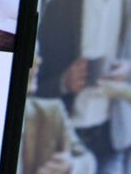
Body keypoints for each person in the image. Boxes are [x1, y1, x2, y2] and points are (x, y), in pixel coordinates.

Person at [36, 0, 131, 174]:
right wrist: (64, 82)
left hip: (113, 141)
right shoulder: (57, 6)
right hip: (62, 140)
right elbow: (35, 88)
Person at [20, 45, 96, 174]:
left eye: (36, 53)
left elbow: (87, 162)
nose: (37, 61)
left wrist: (70, 166)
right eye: (28, 53)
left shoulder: (51, 112)